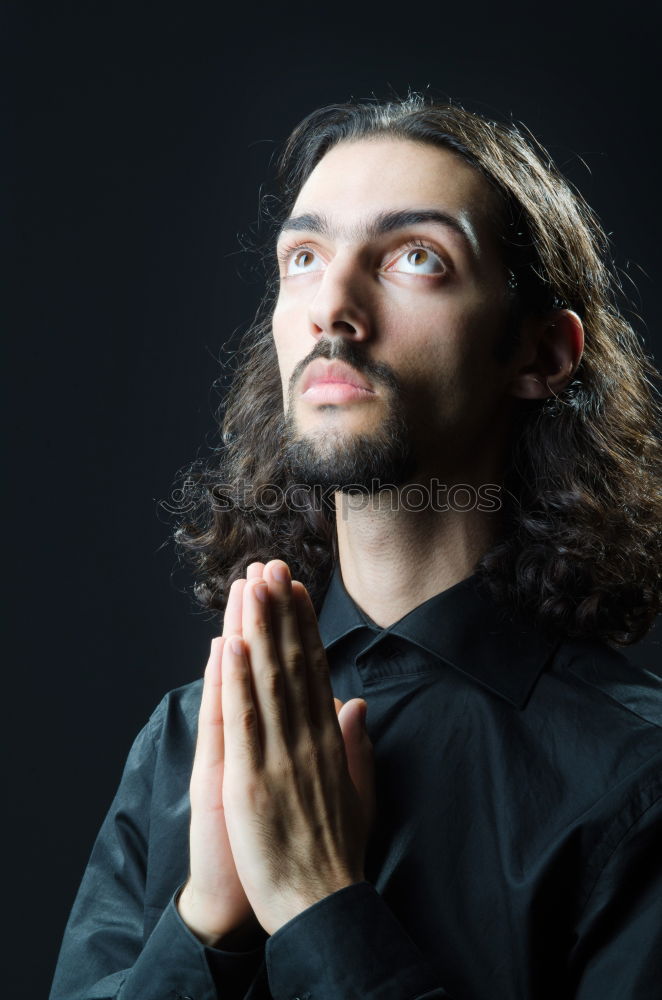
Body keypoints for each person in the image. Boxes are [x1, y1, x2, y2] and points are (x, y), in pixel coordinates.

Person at [50, 95, 662, 1000]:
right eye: (303, 259)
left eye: (416, 257)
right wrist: (204, 927)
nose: (332, 304)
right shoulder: (184, 739)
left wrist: (315, 903)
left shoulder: (638, 780)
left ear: (542, 354)